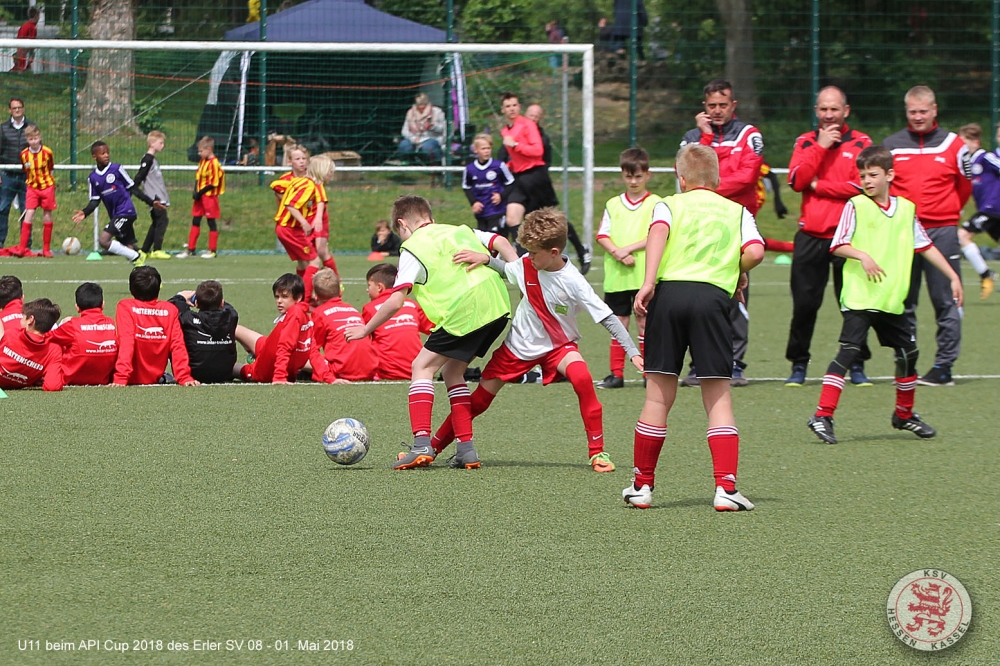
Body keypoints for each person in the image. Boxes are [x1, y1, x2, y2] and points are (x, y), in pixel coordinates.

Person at [429, 207, 643, 472]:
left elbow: (607, 317)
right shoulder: (527, 264)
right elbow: (507, 269)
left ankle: (597, 453)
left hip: (558, 346)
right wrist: (485, 258)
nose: (528, 257)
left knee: (582, 378)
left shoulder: (573, 281)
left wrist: (632, 351)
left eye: (533, 252)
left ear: (554, 252)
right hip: (517, 348)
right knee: (479, 402)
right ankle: (433, 447)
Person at [623, 143, 764, 512]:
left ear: (681, 178)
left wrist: (648, 282)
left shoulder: (668, 204)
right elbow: (756, 252)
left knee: (657, 397)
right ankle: (726, 489)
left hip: (669, 295)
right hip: (712, 299)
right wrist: (736, 270)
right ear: (717, 179)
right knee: (718, 397)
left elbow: (658, 233)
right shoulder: (738, 211)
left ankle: (642, 486)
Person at [344, 195, 518, 471]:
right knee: (453, 372)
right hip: (497, 306)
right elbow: (502, 242)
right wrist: (518, 273)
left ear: (403, 224)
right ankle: (466, 450)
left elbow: (395, 301)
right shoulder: (460, 230)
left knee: (421, 366)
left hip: (465, 311)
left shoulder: (412, 247)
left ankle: (421, 444)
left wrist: (365, 329)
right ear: (431, 219)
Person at [806, 146, 963, 445]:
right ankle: (822, 415)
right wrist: (862, 255)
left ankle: (904, 415)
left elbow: (925, 245)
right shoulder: (855, 205)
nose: (867, 181)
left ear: (889, 175)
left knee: (908, 353)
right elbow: (838, 244)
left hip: (890, 298)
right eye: (863, 175)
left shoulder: (906, 209)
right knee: (849, 351)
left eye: (873, 175)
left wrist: (953, 276)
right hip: (861, 296)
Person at [784, 86, 874, 387]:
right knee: (804, 305)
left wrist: (819, 186)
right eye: (823, 109)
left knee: (854, 305)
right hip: (810, 235)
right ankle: (798, 364)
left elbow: (862, 187)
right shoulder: (806, 141)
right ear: (816, 111)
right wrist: (820, 148)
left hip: (849, 237)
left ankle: (857, 363)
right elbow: (797, 181)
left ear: (845, 111)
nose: (829, 115)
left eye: (834, 109)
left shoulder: (861, 142)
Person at [882, 86, 972, 386]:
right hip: (903, 232)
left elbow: (964, 186)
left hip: (942, 231)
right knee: (903, 302)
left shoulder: (954, 145)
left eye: (923, 111)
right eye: (912, 112)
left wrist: (946, 213)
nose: (918, 117)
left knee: (946, 299)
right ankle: (906, 362)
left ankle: (944, 367)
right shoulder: (891, 145)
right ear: (906, 112)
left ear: (934, 110)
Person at [679, 79, 764, 387]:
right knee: (698, 297)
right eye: (711, 105)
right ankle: (698, 365)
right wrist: (704, 137)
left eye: (722, 105)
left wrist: (705, 185)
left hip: (734, 224)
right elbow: (685, 176)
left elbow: (747, 177)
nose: (717, 110)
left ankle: (735, 364)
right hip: (699, 225)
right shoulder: (692, 137)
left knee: (736, 295)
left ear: (733, 105)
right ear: (704, 106)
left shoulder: (749, 134)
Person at [501, 102, 591, 272]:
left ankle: (581, 250)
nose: (533, 119)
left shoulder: (540, 137)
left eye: (537, 116)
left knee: (553, 219)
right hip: (520, 181)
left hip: (537, 182)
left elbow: (539, 156)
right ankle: (522, 262)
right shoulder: (512, 131)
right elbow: (508, 157)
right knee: (512, 218)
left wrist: (517, 146)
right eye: (531, 115)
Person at [595, 147, 656, 389]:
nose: (633, 181)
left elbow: (658, 234)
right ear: (622, 175)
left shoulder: (656, 203)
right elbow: (602, 234)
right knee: (618, 323)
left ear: (647, 175)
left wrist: (627, 249)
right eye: (629, 176)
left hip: (644, 275)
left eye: (638, 176)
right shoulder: (613, 204)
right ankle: (616, 374)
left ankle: (647, 373)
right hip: (617, 276)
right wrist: (616, 253)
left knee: (644, 323)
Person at [71, 141, 166, 266]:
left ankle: (137, 256)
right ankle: (142, 271)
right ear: (94, 156)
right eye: (103, 153)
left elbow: (133, 188)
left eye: (107, 152)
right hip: (115, 215)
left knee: (104, 240)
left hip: (126, 211)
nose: (106, 155)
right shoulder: (93, 178)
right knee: (128, 247)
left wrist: (151, 202)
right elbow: (95, 201)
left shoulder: (116, 169)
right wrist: (85, 212)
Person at [114, 266, 197, 387]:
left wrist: (121, 377)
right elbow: (177, 345)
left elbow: (127, 341)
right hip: (155, 378)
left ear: (131, 290)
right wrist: (184, 377)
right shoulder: (170, 309)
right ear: (158, 289)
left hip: (127, 377)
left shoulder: (126, 306)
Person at [234, 273, 313, 384]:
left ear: (299, 297)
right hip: (268, 346)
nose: (279, 301)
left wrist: (279, 376)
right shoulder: (301, 313)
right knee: (233, 328)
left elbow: (285, 347)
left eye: (284, 297)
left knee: (228, 368)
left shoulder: (296, 315)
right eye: (277, 296)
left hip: (264, 366)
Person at [272, 154, 331, 302]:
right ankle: (304, 300)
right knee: (314, 261)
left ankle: (301, 295)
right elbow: (291, 205)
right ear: (322, 171)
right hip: (290, 229)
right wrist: (304, 222)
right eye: (330, 172)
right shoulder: (309, 185)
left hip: (284, 228)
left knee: (303, 263)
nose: (331, 175)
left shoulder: (300, 181)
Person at [362, 263, 433, 381]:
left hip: (387, 372)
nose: (367, 290)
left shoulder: (370, 308)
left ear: (379, 287)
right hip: (416, 369)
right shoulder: (413, 305)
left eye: (369, 285)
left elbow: (363, 342)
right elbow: (433, 329)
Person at [309, 268, 377, 383]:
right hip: (370, 370)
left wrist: (328, 378)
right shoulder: (353, 309)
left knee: (302, 353)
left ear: (316, 296)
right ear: (340, 292)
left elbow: (312, 348)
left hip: (342, 371)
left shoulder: (319, 313)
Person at [956, 123, 1000, 300]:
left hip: (993, 209)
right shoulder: (969, 164)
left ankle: (986, 274)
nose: (960, 147)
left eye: (963, 143)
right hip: (989, 211)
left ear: (975, 142)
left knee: (963, 235)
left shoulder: (986, 157)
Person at [0, 124, 56, 258]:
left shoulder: (47, 152)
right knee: (29, 214)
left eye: (36, 138)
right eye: (31, 139)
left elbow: (50, 167)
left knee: (47, 214)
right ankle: (22, 248)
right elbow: (26, 170)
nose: (34, 142)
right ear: (27, 140)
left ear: (40, 138)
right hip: (32, 188)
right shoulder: (24, 154)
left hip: (47, 187)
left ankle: (46, 249)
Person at [168, 280, 239, 385]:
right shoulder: (232, 316)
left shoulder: (187, 319)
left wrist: (180, 296)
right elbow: (226, 306)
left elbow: (170, 307)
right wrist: (215, 300)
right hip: (224, 373)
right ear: (222, 303)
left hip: (194, 374)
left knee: (174, 331)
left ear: (196, 303)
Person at [48, 282, 118, 386]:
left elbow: (46, 338)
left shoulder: (72, 325)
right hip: (102, 379)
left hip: (69, 379)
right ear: (103, 304)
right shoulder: (112, 323)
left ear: (77, 307)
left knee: (54, 343)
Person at [0, 297, 63, 392]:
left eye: (23, 317)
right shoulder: (53, 350)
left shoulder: (12, 334)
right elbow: (52, 385)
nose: (21, 320)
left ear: (30, 320)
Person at [177, 136, 225, 259]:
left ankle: (212, 250)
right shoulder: (202, 161)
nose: (199, 153)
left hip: (209, 197)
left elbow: (214, 183)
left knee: (211, 222)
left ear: (209, 149)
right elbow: (198, 177)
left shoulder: (214, 163)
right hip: (200, 196)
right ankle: (191, 249)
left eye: (201, 151)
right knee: (196, 220)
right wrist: (195, 191)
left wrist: (201, 192)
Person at [463, 133, 514, 234]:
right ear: (475, 150)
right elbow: (466, 187)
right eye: (483, 149)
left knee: (496, 236)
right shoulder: (470, 169)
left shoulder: (499, 166)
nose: (486, 151)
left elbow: (510, 183)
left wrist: (501, 196)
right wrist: (474, 202)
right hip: (481, 211)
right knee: (483, 239)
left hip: (497, 210)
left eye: (488, 148)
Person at [134, 130, 172, 260]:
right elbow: (140, 176)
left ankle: (144, 250)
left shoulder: (153, 160)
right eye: (160, 143)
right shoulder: (148, 159)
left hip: (159, 196)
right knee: (162, 220)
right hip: (154, 197)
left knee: (156, 222)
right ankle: (157, 249)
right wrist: (133, 189)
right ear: (152, 143)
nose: (162, 145)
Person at [0, 98, 32, 249]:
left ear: (23, 108)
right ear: (10, 110)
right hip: (7, 175)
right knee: (2, 208)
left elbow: (37, 150)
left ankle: (26, 243)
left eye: (19, 107)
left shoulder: (31, 127)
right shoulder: (3, 128)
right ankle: (0, 241)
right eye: (14, 108)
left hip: (26, 176)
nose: (17, 110)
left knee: (27, 210)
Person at [397, 93, 446, 163]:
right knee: (404, 145)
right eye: (418, 104)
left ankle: (432, 164)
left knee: (428, 147)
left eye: (423, 104)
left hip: (431, 138)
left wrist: (432, 126)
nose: (421, 106)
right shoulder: (410, 113)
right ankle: (409, 163)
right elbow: (404, 131)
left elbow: (443, 129)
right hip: (414, 139)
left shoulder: (437, 111)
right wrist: (413, 139)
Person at [10, 7, 40, 73]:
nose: (39, 18)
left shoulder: (24, 25)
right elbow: (31, 44)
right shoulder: (32, 28)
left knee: (20, 69)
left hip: (20, 52)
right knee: (22, 70)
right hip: (24, 54)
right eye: (39, 16)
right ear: (36, 16)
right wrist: (31, 55)